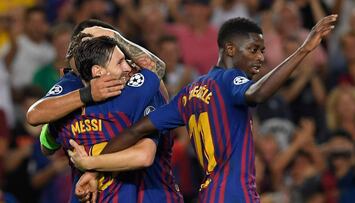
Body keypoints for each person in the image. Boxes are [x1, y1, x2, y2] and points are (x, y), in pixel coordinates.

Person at [69, 15, 338, 203]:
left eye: (263, 51)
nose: (261, 57)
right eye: (254, 49)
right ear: (230, 49)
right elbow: (257, 93)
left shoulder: (191, 91)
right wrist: (304, 49)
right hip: (236, 194)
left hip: (209, 194)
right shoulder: (231, 79)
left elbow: (136, 130)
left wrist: (93, 169)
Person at [27, 19, 181, 202]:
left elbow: (143, 154)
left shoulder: (136, 85)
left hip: (151, 191)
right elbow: (37, 120)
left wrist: (90, 167)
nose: (127, 66)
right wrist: (87, 94)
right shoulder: (69, 88)